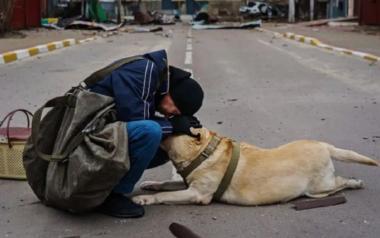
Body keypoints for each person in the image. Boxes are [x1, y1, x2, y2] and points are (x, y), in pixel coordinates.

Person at [88, 49, 204, 218]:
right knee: (151, 131)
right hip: (85, 137)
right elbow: (135, 121)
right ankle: (113, 196)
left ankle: (107, 183)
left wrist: (175, 127)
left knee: (165, 143)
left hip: (99, 134)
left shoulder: (154, 80)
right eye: (175, 109)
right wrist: (173, 125)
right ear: (172, 93)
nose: (170, 113)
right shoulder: (145, 71)